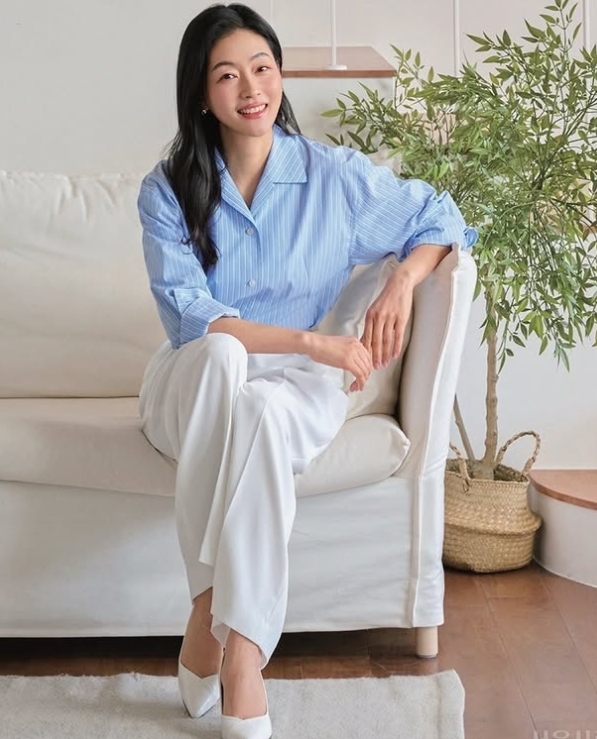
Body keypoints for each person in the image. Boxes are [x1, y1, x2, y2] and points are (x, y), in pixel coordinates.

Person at [137, 4, 477, 738]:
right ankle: (209, 601)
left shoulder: (334, 178)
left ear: (280, 75)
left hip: (295, 388)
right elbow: (192, 316)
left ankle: (239, 651)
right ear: (202, 93)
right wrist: (315, 342)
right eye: (227, 75)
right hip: (194, 381)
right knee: (225, 354)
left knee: (262, 413)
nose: (250, 88)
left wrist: (401, 281)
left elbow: (442, 216)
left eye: (262, 68)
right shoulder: (166, 190)